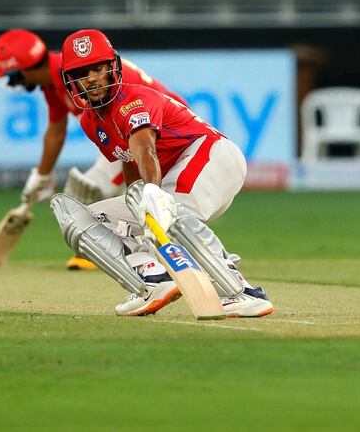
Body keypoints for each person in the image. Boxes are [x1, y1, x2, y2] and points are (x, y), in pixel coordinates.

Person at [48, 29, 274, 318]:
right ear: (71, 80)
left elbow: (144, 149)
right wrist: (138, 197)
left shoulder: (133, 100)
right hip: (171, 178)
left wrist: (152, 192)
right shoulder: (92, 122)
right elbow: (129, 159)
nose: (91, 78)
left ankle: (241, 290)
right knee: (85, 221)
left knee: (167, 212)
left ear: (112, 68)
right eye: (82, 72)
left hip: (211, 156)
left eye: (98, 68)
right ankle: (152, 281)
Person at [0, 29, 187, 270]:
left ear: (25, 70)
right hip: (125, 134)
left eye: (13, 77)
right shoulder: (56, 82)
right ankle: (130, 251)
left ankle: (112, 253)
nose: (14, 83)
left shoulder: (79, 70)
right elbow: (56, 133)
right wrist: (41, 176)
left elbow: (136, 115)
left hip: (155, 130)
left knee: (90, 188)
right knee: (108, 191)